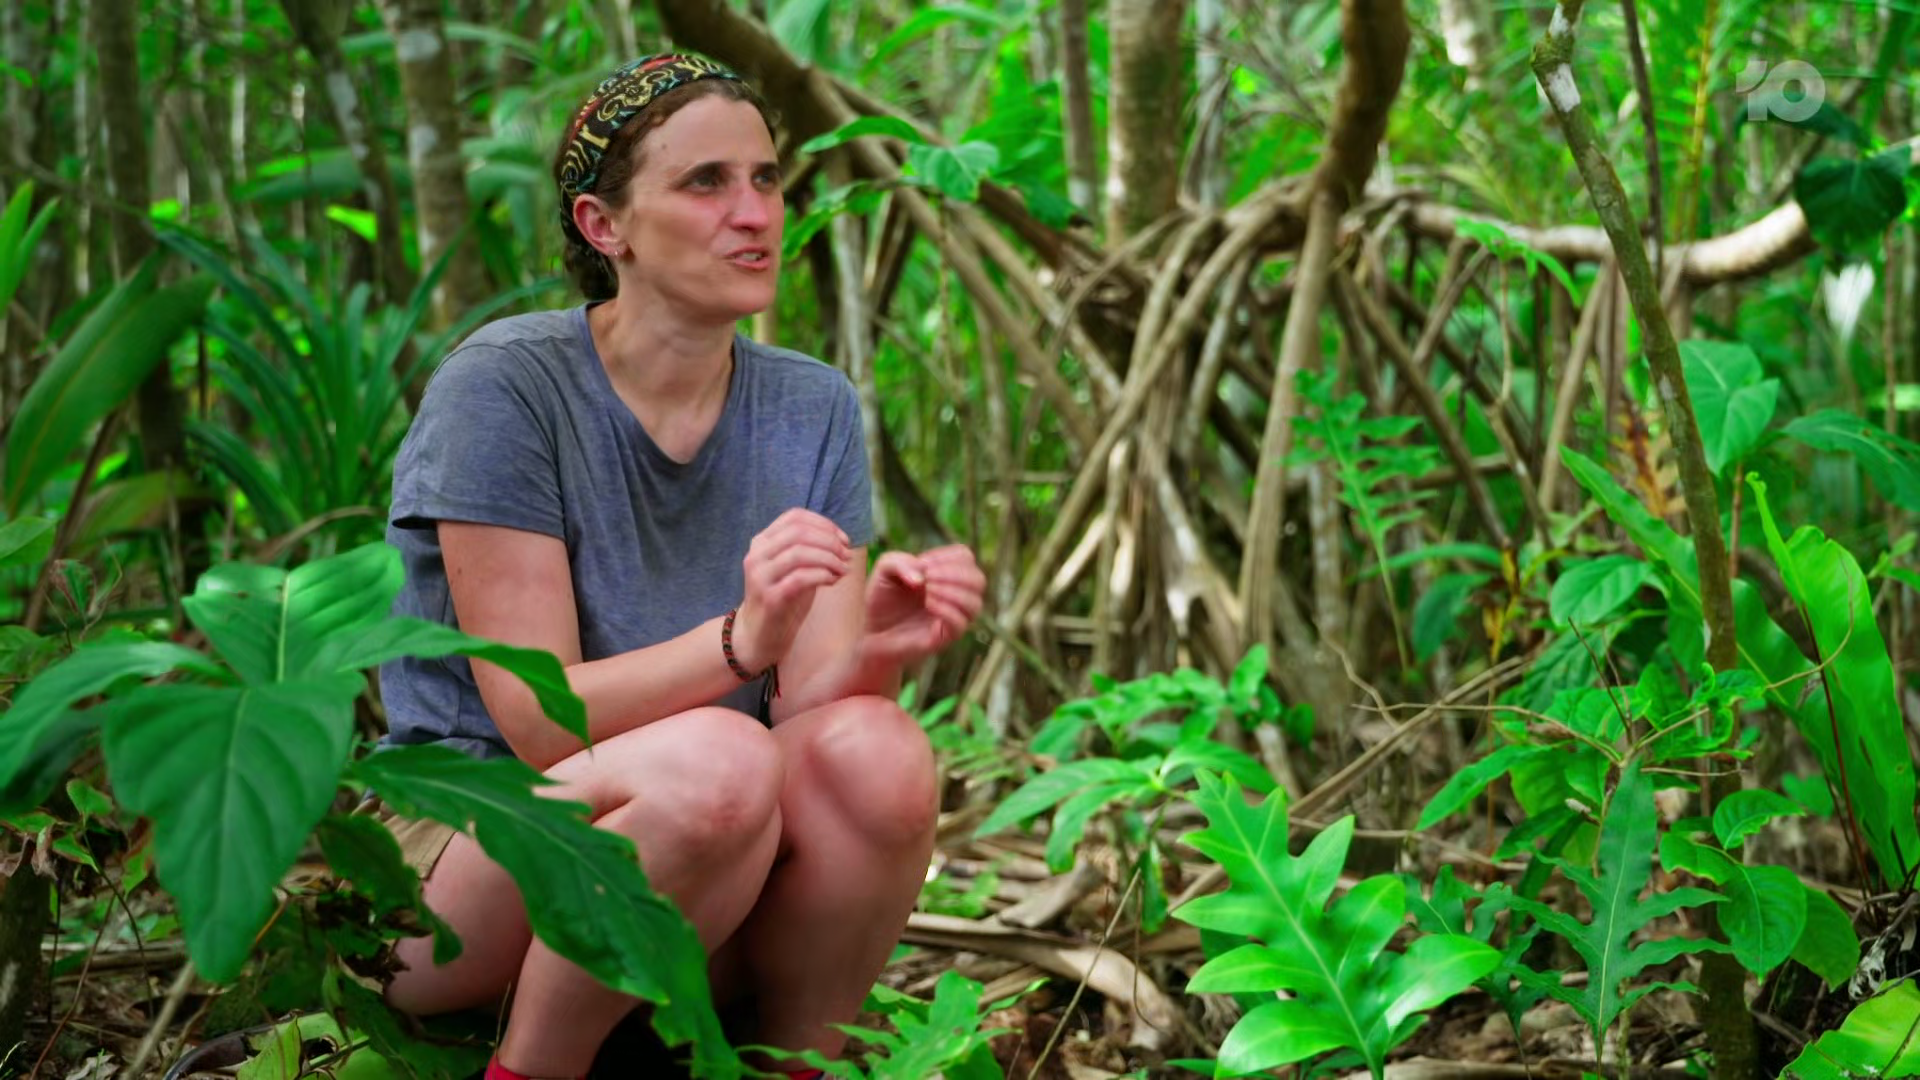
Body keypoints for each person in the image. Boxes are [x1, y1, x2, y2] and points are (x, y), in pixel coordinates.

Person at [374, 52, 985, 1080]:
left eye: (765, 179)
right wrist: (741, 639)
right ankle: (532, 1069)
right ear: (602, 225)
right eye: (706, 182)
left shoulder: (812, 406)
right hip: (461, 867)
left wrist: (880, 647)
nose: (754, 214)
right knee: (719, 762)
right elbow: (538, 721)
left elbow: (814, 717)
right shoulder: (505, 387)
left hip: (703, 863)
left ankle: (795, 1064)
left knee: (879, 752)